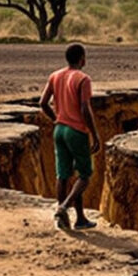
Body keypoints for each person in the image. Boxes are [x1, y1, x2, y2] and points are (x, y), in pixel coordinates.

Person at [40, 42, 98, 230]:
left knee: (63, 175)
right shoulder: (83, 79)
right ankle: (64, 207)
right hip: (76, 131)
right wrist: (95, 134)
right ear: (82, 59)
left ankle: (77, 219)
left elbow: (43, 103)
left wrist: (56, 119)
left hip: (59, 130)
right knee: (85, 175)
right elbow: (85, 108)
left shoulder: (55, 76)